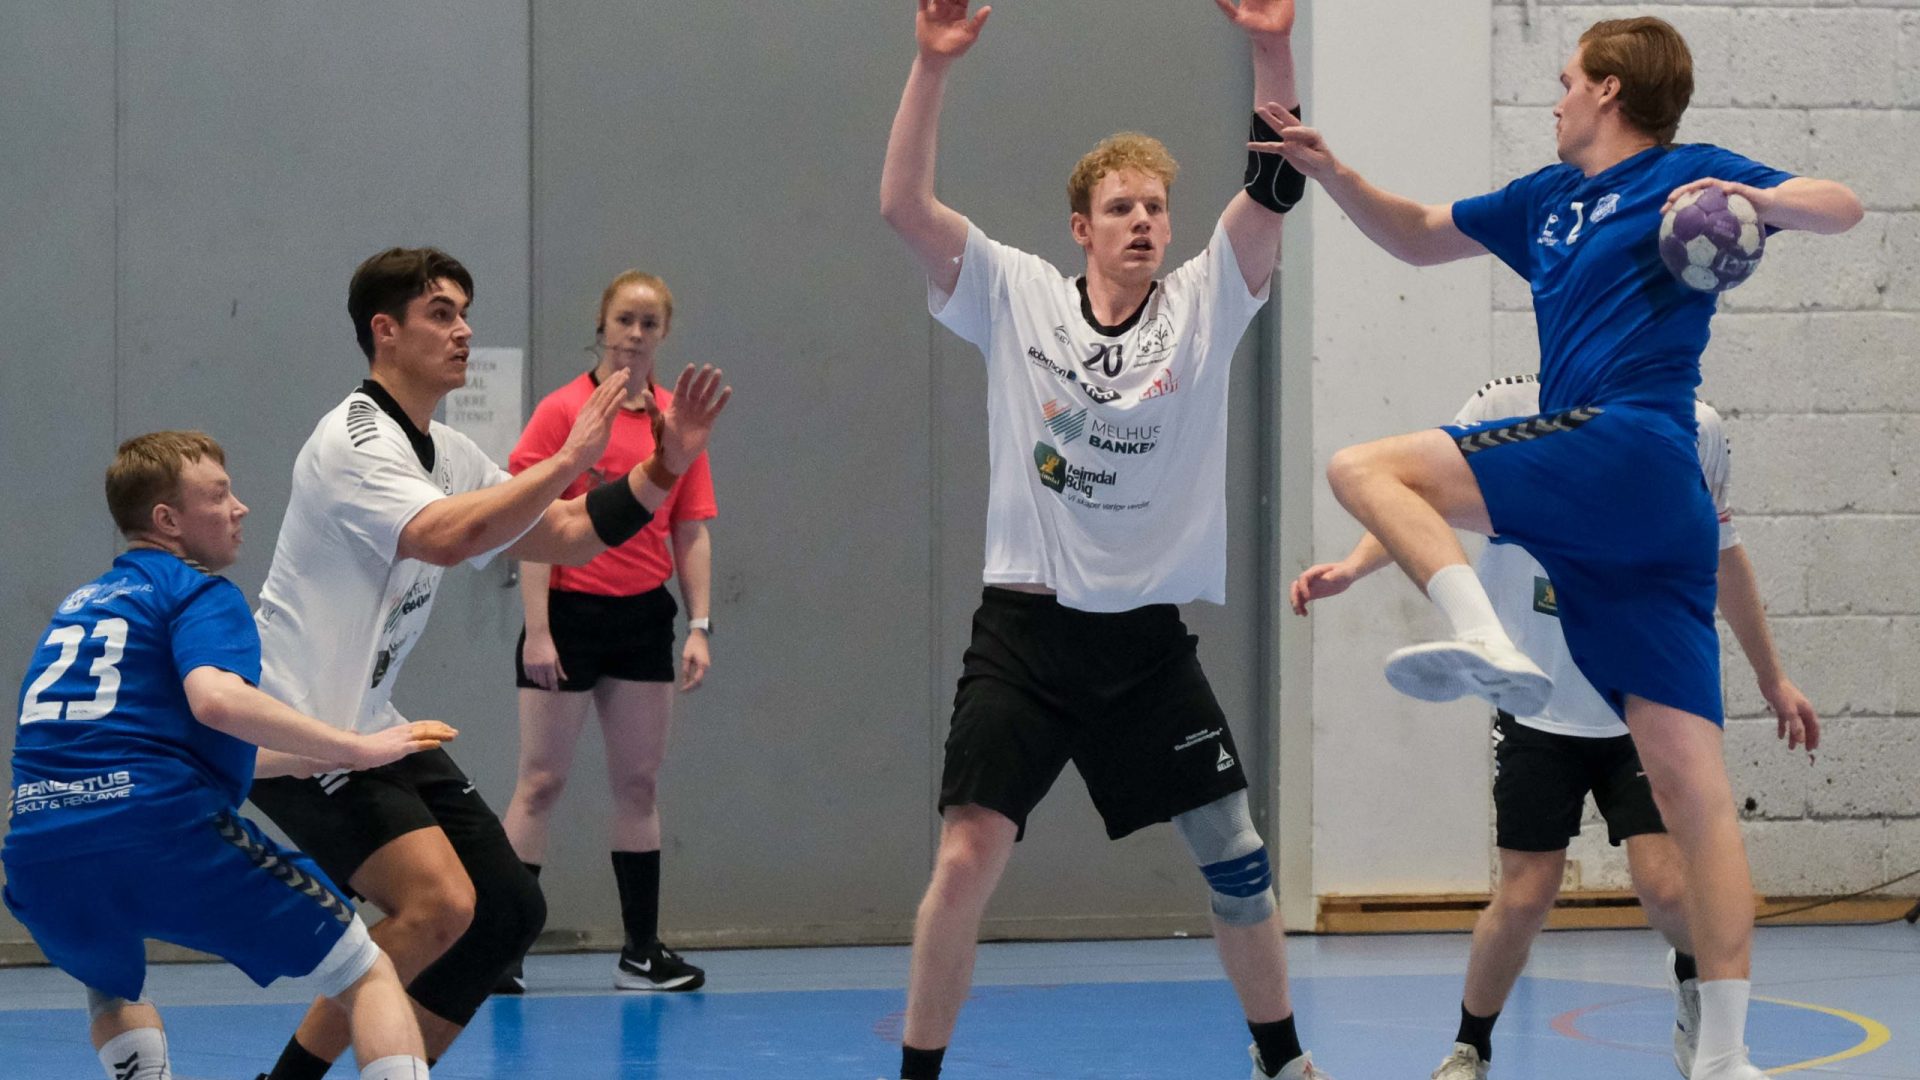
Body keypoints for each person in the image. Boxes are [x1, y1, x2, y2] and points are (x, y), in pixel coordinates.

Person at [1257, 17, 1861, 1080]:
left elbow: (1841, 204)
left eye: (1568, 79)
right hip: (1645, 511)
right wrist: (1333, 171)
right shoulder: (1543, 199)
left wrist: (1748, 201)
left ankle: (1481, 635)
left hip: (1625, 443)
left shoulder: (1684, 173)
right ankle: (1726, 1055)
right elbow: (1416, 233)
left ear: (1610, 90)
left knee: (1362, 466)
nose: (1556, 97)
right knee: (1692, 788)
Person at [880, 2, 1325, 1077]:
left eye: (1156, 207)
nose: (1142, 222)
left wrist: (1271, 45)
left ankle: (1283, 1061)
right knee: (966, 856)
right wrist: (930, 66)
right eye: (1120, 206)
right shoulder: (1016, 293)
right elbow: (903, 207)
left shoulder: (1207, 302)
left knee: (1238, 857)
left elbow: (1276, 185)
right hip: (1026, 635)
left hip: (1143, 645)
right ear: (1080, 227)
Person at [245, 247, 731, 1080]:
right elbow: (448, 536)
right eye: (441, 313)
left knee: (507, 910)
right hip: (298, 736)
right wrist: (568, 459)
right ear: (385, 330)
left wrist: (665, 467)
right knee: (439, 902)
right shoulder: (354, 439)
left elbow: (565, 534)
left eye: (466, 312)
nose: (463, 330)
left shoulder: (447, 450)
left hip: (372, 728)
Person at [1290, 375, 1821, 1079]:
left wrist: (1772, 677)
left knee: (1667, 889)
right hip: (1537, 705)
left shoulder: (1694, 425)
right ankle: (1469, 1048)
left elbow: (1723, 553)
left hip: (1642, 702)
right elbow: (1417, 495)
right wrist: (1355, 568)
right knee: (1524, 895)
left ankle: (1697, 987)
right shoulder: (1503, 406)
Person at [4, 431, 459, 1080]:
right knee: (365, 971)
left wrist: (292, 760)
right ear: (168, 521)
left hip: (39, 849)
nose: (239, 508)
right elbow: (215, 700)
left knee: (110, 984)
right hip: (157, 828)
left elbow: (135, 741)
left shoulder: (77, 610)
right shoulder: (196, 592)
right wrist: (353, 747)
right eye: (218, 495)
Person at [494, 269, 718, 995]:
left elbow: (690, 526)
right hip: (568, 616)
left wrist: (699, 625)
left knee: (639, 783)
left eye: (650, 323)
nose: (635, 334)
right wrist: (537, 631)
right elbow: (528, 519)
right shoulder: (565, 412)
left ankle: (641, 953)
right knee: (540, 782)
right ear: (602, 324)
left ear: (664, 334)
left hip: (642, 618)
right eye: (625, 319)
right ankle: (501, 953)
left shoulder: (675, 423)